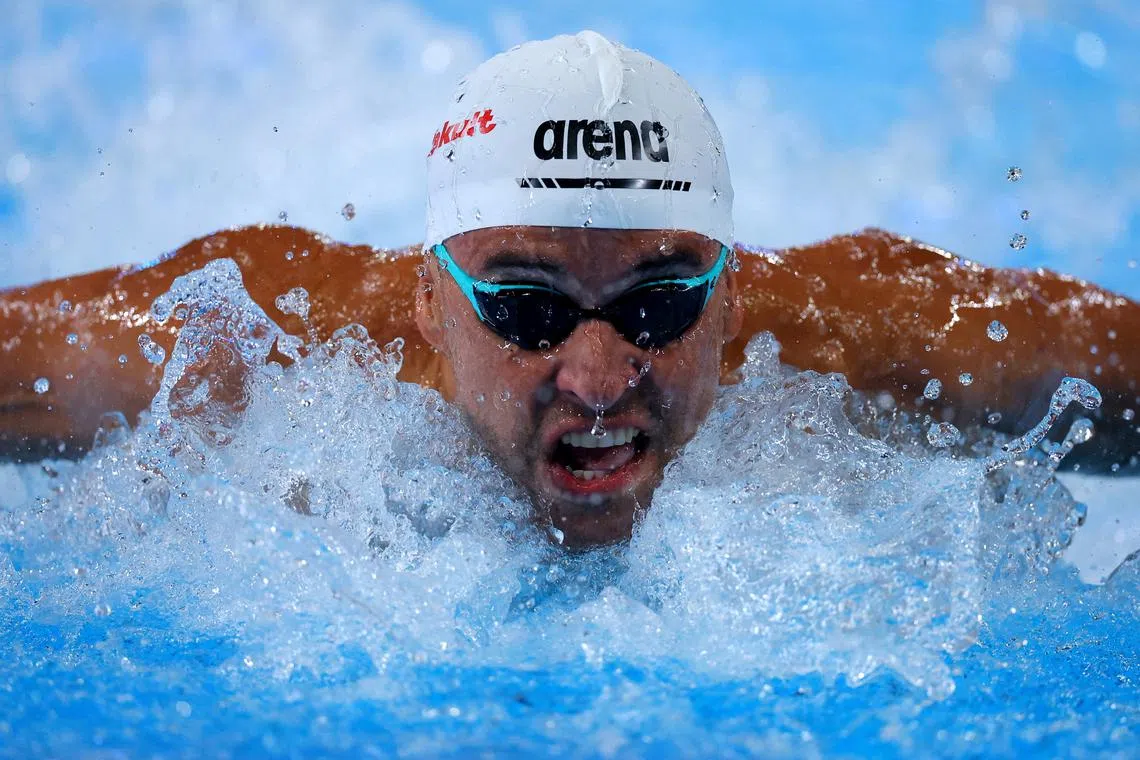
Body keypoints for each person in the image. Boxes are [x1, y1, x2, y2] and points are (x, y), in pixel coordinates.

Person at [1, 32, 1137, 546]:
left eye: (659, 302)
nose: (597, 377)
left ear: (732, 299)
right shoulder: (245, 346)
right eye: (528, 308)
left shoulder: (893, 342)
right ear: (424, 302)